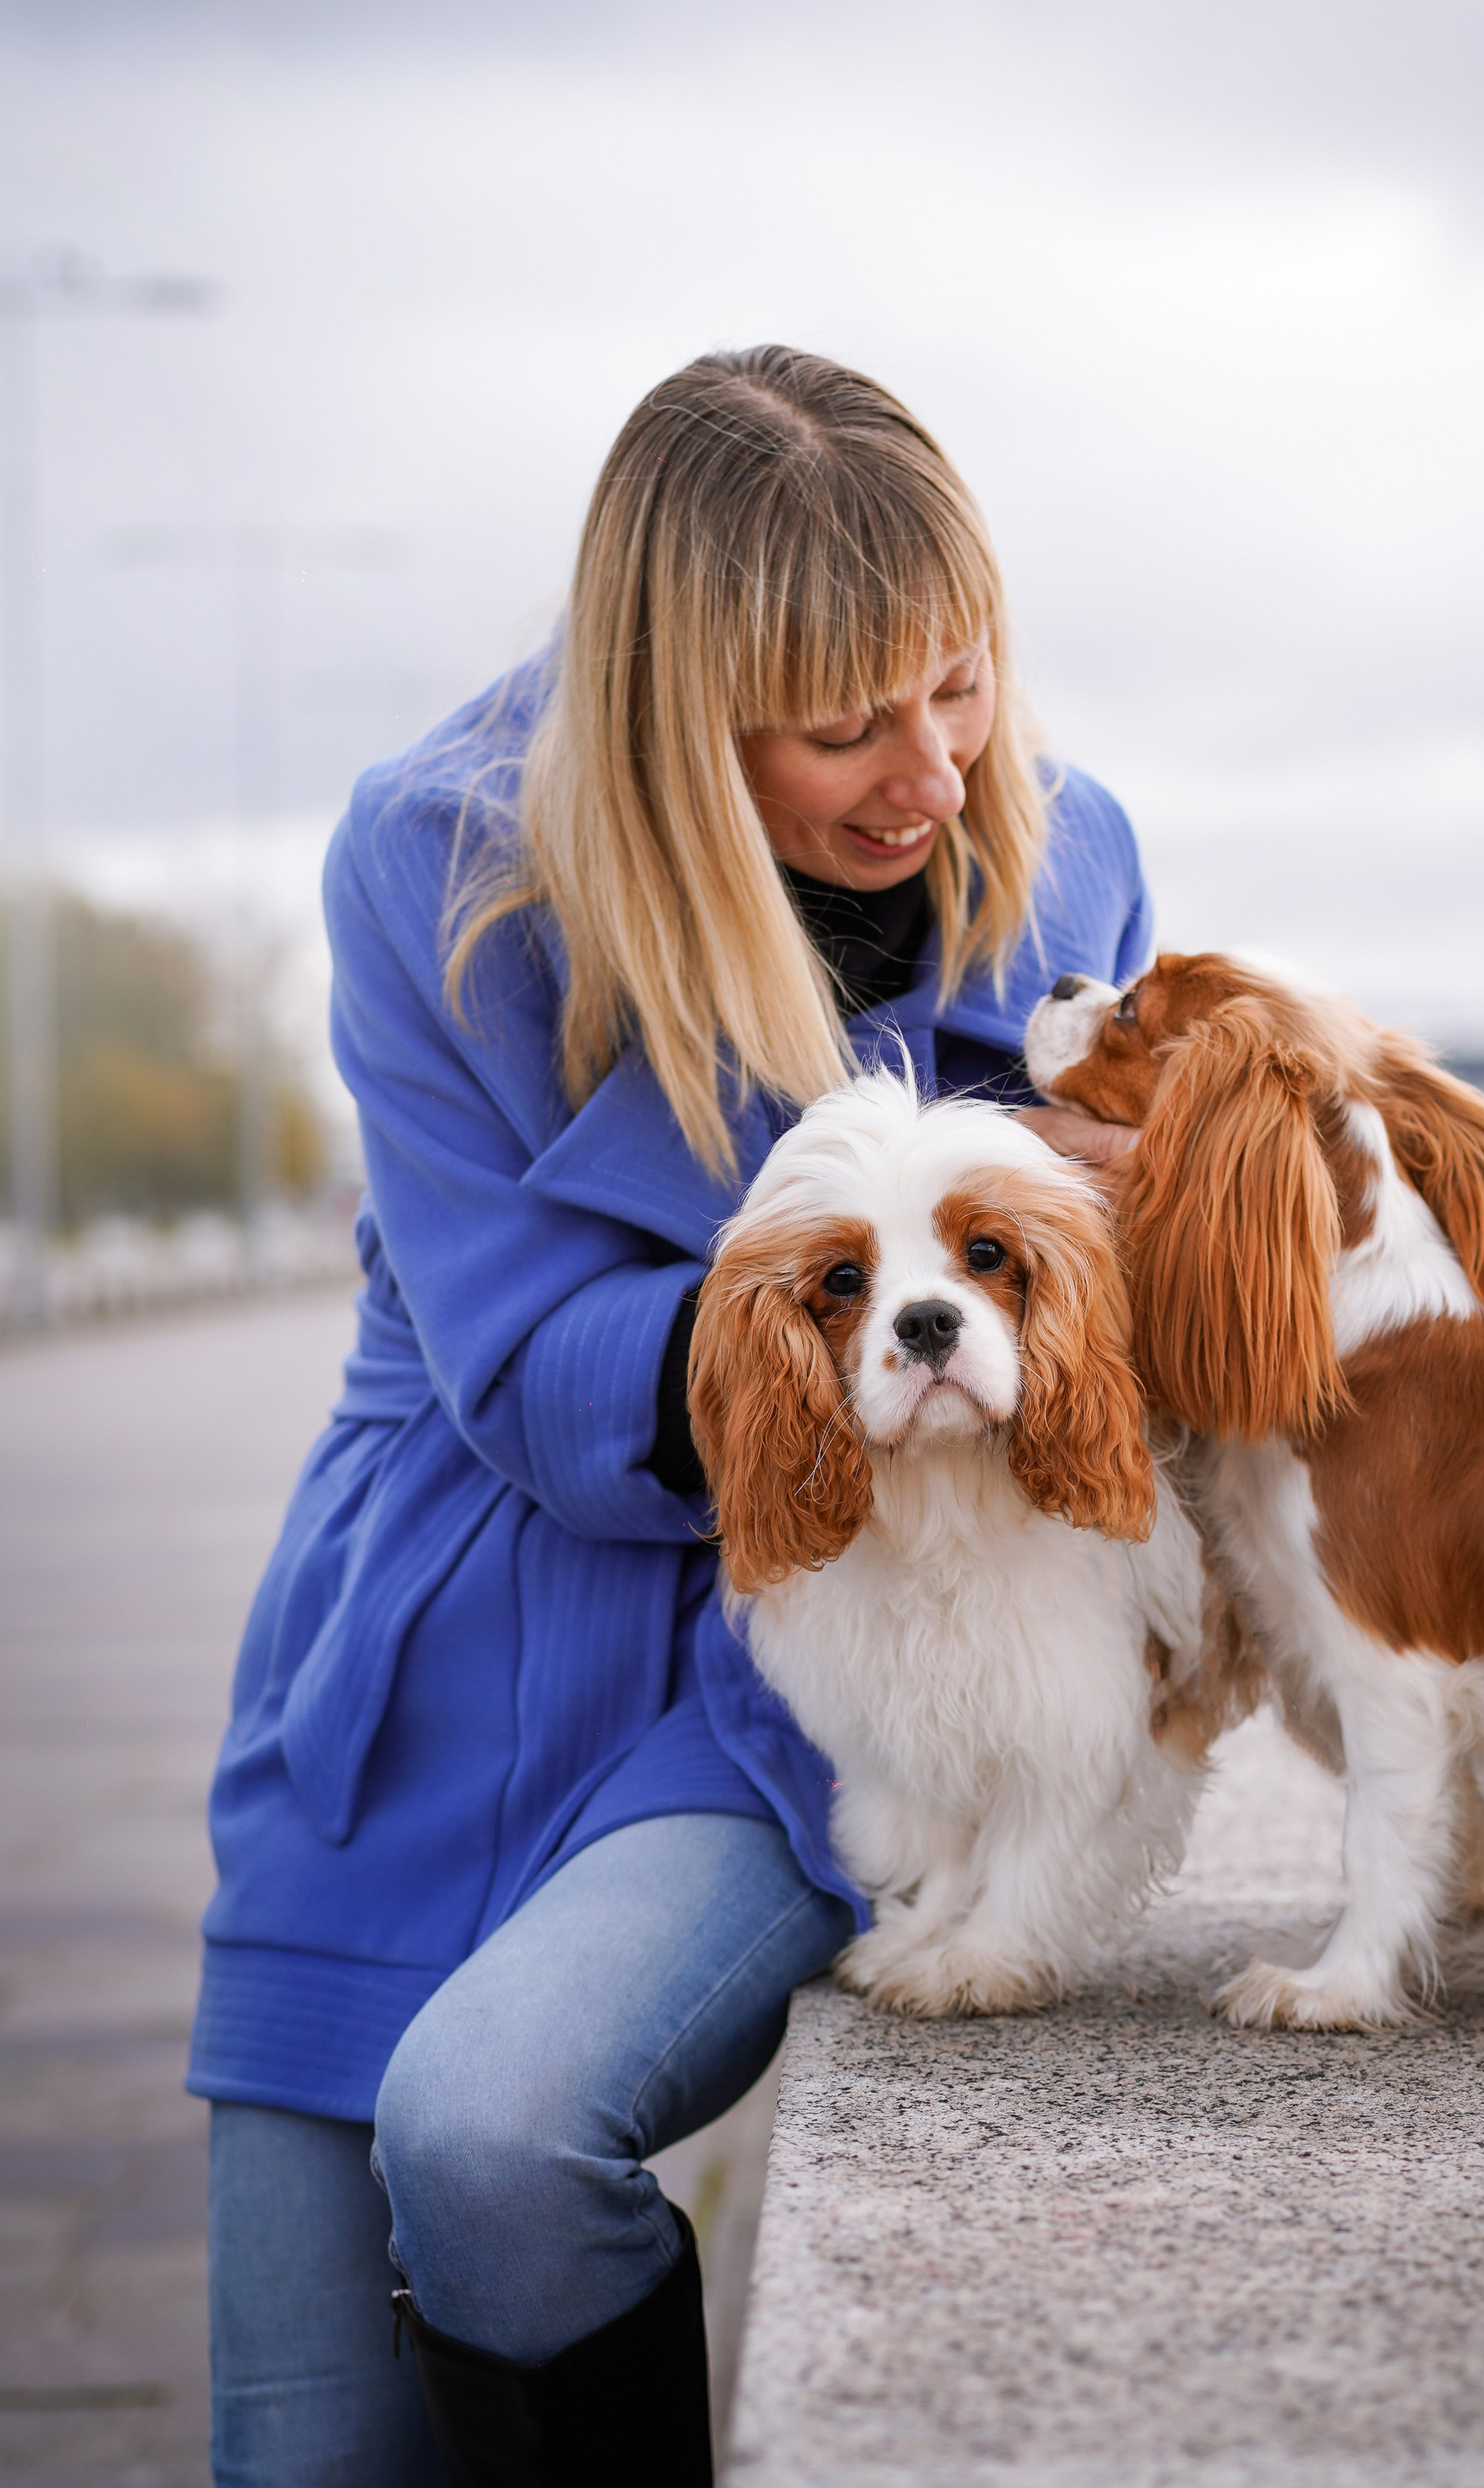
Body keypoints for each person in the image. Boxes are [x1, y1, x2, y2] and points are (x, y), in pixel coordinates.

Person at [187, 345, 1150, 2488]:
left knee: (496, 2133)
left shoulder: (1069, 854)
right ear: (684, 714)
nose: (935, 772)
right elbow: (528, 1383)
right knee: (304, 2456)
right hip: (438, 1646)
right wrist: (934, 1235)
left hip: (815, 1655)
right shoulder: (436, 861)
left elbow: (1106, 1333)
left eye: (962, 682)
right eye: (845, 723)